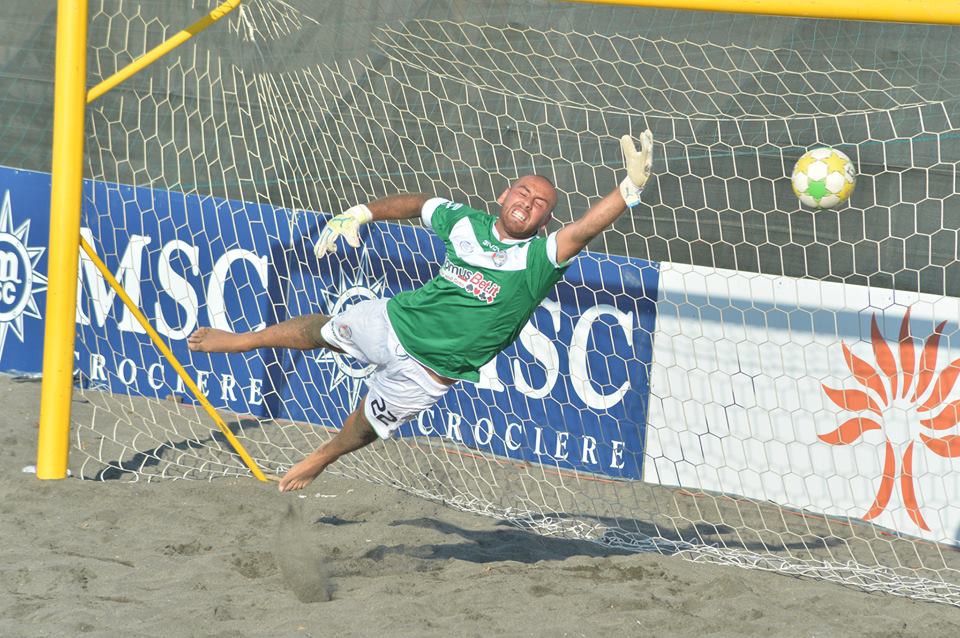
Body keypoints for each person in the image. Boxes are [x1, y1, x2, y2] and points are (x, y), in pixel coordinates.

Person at [187, 131, 654, 492]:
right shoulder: (466, 222)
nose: (527, 203)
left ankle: (323, 456)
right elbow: (418, 203)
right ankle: (243, 340)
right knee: (325, 329)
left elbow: (586, 228)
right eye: (522, 192)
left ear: (544, 221)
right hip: (396, 321)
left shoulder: (540, 258)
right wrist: (362, 214)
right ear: (503, 196)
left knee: (366, 424)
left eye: (539, 204)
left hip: (432, 371)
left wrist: (629, 188)